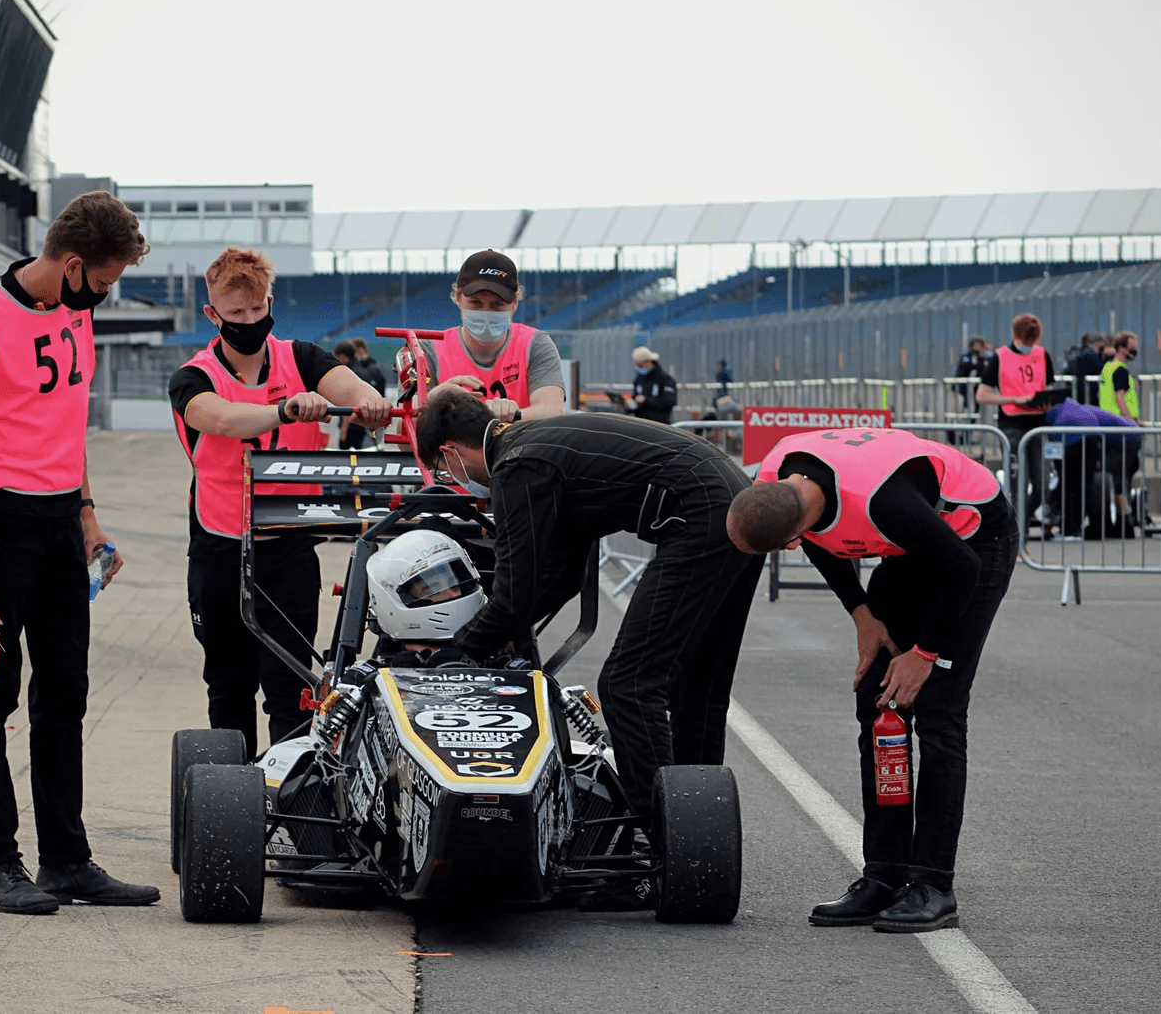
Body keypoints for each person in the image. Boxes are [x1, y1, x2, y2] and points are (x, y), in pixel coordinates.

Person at [0, 190, 155, 915]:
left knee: (64, 697)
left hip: (62, 528)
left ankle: (67, 859)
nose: (106, 296)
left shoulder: (76, 313)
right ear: (70, 263)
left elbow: (67, 424)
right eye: (105, 279)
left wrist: (88, 517)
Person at [413, 390, 765, 827]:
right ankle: (699, 839)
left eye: (444, 471)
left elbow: (515, 594)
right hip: (736, 502)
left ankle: (659, 837)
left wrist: (457, 650)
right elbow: (561, 577)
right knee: (698, 691)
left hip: (702, 512)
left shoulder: (516, 466)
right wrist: (498, 630)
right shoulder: (541, 443)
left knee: (629, 684)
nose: (451, 477)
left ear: (449, 451)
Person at [726, 427, 1016, 932]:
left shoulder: (883, 504)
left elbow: (960, 569)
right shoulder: (775, 480)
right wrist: (862, 613)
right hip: (910, 546)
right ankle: (884, 874)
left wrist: (924, 653)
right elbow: (821, 543)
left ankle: (932, 884)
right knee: (879, 705)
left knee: (939, 713)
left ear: (789, 540)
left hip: (974, 542)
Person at [169, 247, 391, 759]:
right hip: (221, 548)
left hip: (289, 549)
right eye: (237, 314)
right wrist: (284, 410)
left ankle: (290, 802)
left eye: (257, 310)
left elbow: (353, 389)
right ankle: (231, 805)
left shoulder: (303, 358)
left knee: (290, 688)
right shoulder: (193, 376)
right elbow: (222, 420)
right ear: (213, 315)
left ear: (270, 303)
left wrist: (370, 403)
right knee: (228, 689)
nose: (249, 322)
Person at [400, 250, 567, 422]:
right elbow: (404, 434)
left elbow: (552, 411)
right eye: (476, 303)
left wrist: (508, 415)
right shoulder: (428, 350)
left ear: (515, 301)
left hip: (517, 448)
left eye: (497, 305)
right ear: (458, 297)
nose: (486, 312)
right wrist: (434, 399)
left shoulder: (534, 344)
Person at [975, 313, 1053, 535]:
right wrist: (1014, 399)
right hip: (1012, 422)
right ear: (1016, 336)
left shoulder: (1042, 354)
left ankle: (1021, 522)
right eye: (1026, 341)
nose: (1030, 346)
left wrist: (1048, 399)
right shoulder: (1000, 357)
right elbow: (982, 396)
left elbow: (1046, 385)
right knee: (1016, 482)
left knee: (1042, 484)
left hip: (1038, 423)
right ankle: (1018, 534)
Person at [365, 529, 487, 666]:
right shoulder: (376, 674)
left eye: (454, 584)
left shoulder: (502, 648)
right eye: (432, 590)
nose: (453, 594)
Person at [1045, 400, 1141, 540]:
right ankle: (1122, 525)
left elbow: (1056, 455)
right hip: (1128, 436)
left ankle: (1116, 526)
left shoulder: (1059, 417)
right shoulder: (1073, 410)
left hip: (1124, 440)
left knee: (1102, 480)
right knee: (1111, 481)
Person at [331, 341, 370, 450]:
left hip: (351, 428)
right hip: (363, 426)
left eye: (337, 357)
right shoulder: (364, 371)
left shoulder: (349, 374)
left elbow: (348, 405)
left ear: (342, 356)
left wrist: (344, 430)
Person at [628, 346, 677, 424]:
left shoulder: (666, 380)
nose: (640, 368)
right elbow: (636, 399)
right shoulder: (639, 379)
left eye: (640, 366)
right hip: (641, 424)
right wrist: (628, 407)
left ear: (648, 362)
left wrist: (646, 400)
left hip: (659, 425)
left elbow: (669, 402)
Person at [1099, 330, 1140, 424]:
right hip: (1120, 423)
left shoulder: (1108, 367)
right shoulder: (1120, 370)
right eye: (1132, 348)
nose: (1134, 351)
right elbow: (1119, 398)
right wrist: (1131, 421)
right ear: (1121, 348)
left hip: (1108, 421)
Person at [951, 337, 991, 414]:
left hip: (976, 388)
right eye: (976, 345)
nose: (978, 347)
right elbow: (965, 368)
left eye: (980, 345)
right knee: (963, 406)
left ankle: (974, 421)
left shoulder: (982, 358)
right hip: (963, 388)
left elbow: (983, 370)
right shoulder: (967, 357)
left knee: (976, 407)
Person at [1070, 333, 1106, 405]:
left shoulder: (1080, 352)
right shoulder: (1090, 355)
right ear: (1099, 343)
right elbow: (1102, 368)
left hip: (1079, 391)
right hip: (1088, 393)